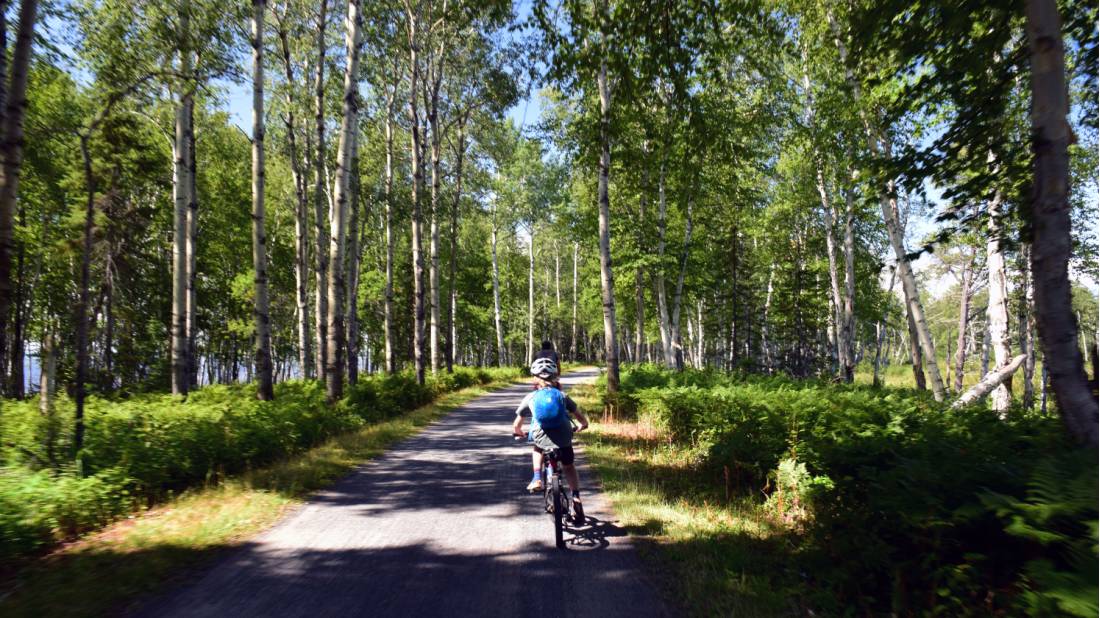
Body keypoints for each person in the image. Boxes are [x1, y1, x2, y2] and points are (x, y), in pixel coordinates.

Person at [512, 358, 589, 525]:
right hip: (563, 437)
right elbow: (579, 416)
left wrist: (519, 433)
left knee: (538, 448)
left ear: (534, 378)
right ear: (555, 377)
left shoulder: (531, 397)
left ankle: (537, 477)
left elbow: (517, 424)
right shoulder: (562, 395)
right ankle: (576, 498)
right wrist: (583, 425)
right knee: (568, 466)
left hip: (541, 436)